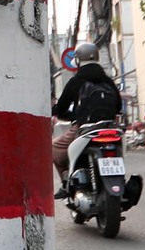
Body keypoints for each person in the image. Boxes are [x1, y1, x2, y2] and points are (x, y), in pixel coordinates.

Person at [51, 43, 124, 185]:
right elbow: (118, 107)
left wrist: (72, 117)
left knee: (55, 147)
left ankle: (66, 181)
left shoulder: (76, 81)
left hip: (84, 128)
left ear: (78, 60)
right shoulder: (108, 80)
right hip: (111, 128)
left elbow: (61, 109)